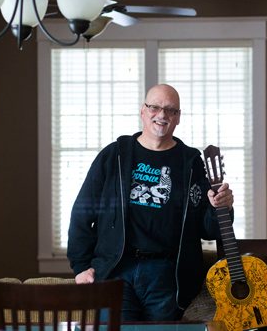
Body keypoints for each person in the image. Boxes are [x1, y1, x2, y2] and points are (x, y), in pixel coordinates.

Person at [67, 84, 234, 321]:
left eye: (170, 110)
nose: (162, 115)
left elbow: (208, 229)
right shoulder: (115, 155)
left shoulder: (191, 163)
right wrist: (81, 266)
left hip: (167, 274)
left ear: (178, 118)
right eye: (154, 107)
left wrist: (222, 207)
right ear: (143, 111)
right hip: (116, 268)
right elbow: (83, 211)